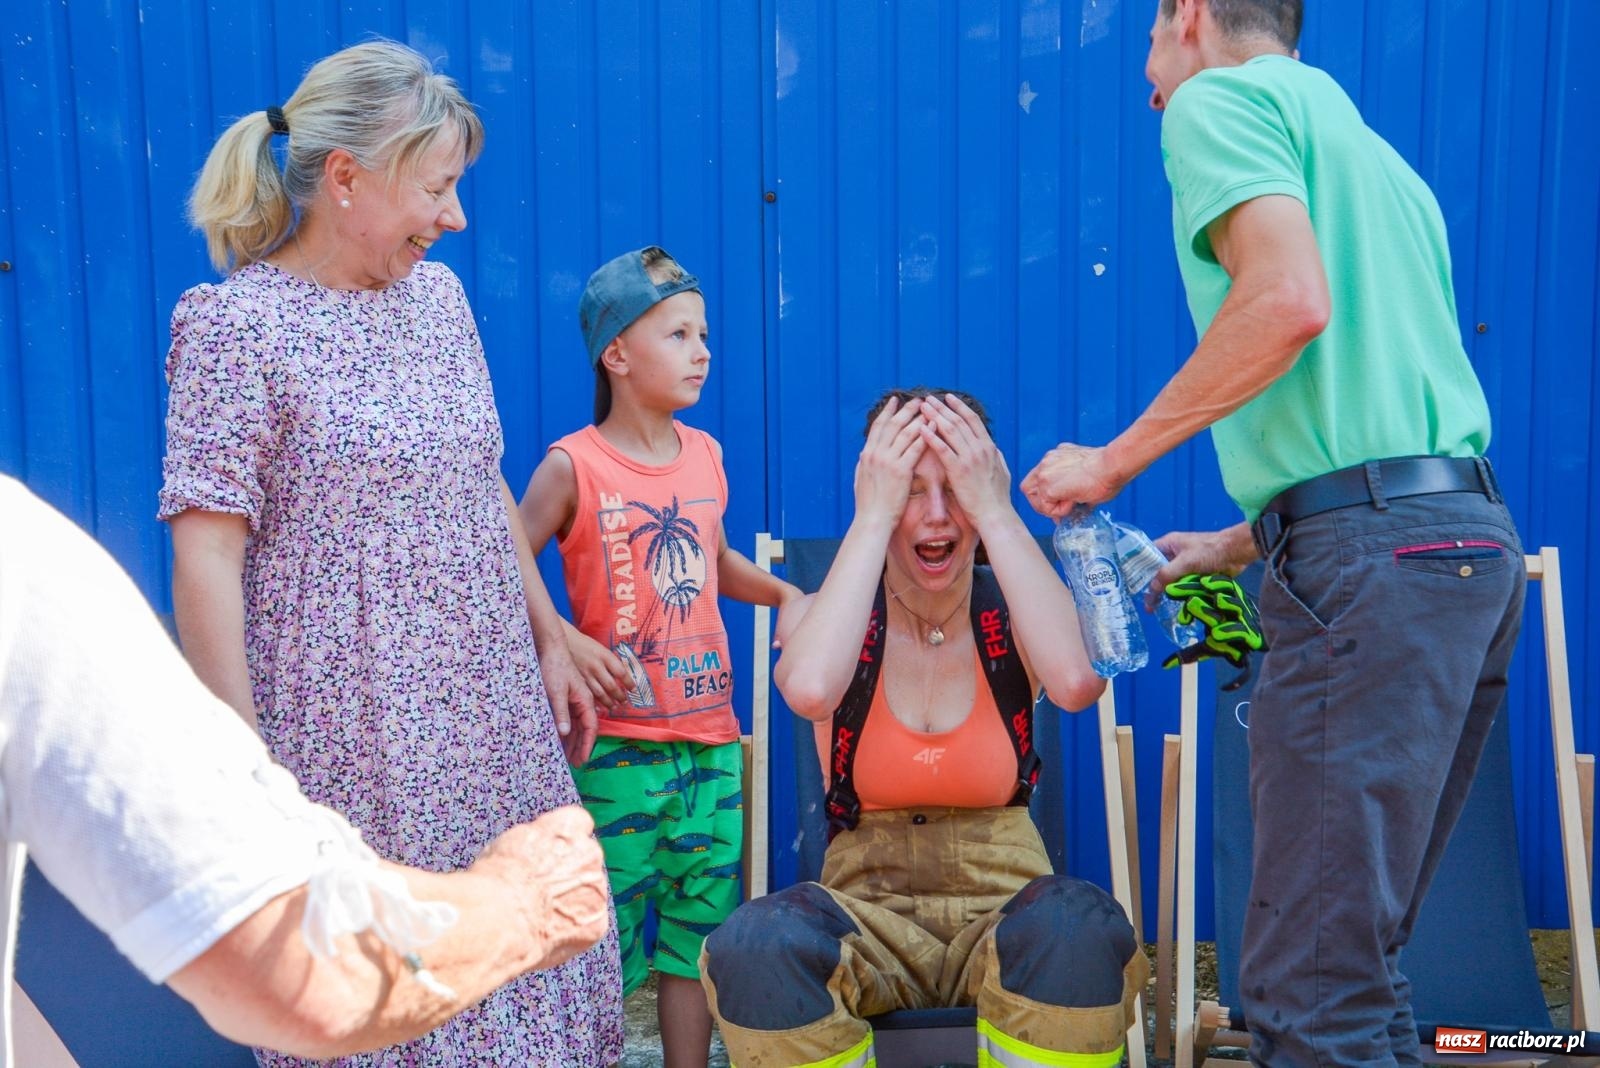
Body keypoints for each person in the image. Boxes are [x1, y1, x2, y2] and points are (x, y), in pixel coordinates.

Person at [1020, 2, 1525, 1064]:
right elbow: (1378, 418)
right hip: (1465, 548)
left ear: (1188, 16)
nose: (1149, 80)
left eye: (1150, 47)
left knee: (1304, 985)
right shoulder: (1375, 159)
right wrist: (1235, 543)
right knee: (1358, 963)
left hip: (1373, 571)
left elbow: (1287, 303)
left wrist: (1110, 461)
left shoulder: (1216, 100)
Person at [157, 41, 622, 1065]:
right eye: (439, 187)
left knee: (528, 964)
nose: (454, 217)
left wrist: (546, 636)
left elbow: (475, 480)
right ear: (346, 177)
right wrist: (241, 773)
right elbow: (206, 558)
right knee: (387, 990)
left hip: (490, 716)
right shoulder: (234, 328)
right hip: (354, 739)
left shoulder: (441, 302)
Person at [0, 474, 611, 1065]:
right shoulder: (25, 575)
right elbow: (295, 968)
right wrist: (521, 908)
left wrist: (548, 638)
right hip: (355, 731)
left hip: (480, 727)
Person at [700, 388, 1148, 1067]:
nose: (937, 514)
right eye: (909, 489)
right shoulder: (830, 615)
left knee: (1079, 928)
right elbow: (812, 688)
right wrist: (872, 515)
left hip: (1006, 910)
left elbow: (1078, 683)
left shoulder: (1016, 614)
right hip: (864, 914)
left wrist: (995, 510)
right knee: (755, 948)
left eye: (957, 488)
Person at [518, 246, 802, 1068]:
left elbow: (714, 563)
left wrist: (788, 597)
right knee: (603, 943)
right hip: (616, 749)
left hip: (711, 744)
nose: (702, 351)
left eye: (704, 334)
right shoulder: (573, 465)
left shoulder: (705, 455)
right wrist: (565, 641)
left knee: (696, 944)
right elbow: (501, 562)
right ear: (616, 354)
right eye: (677, 334)